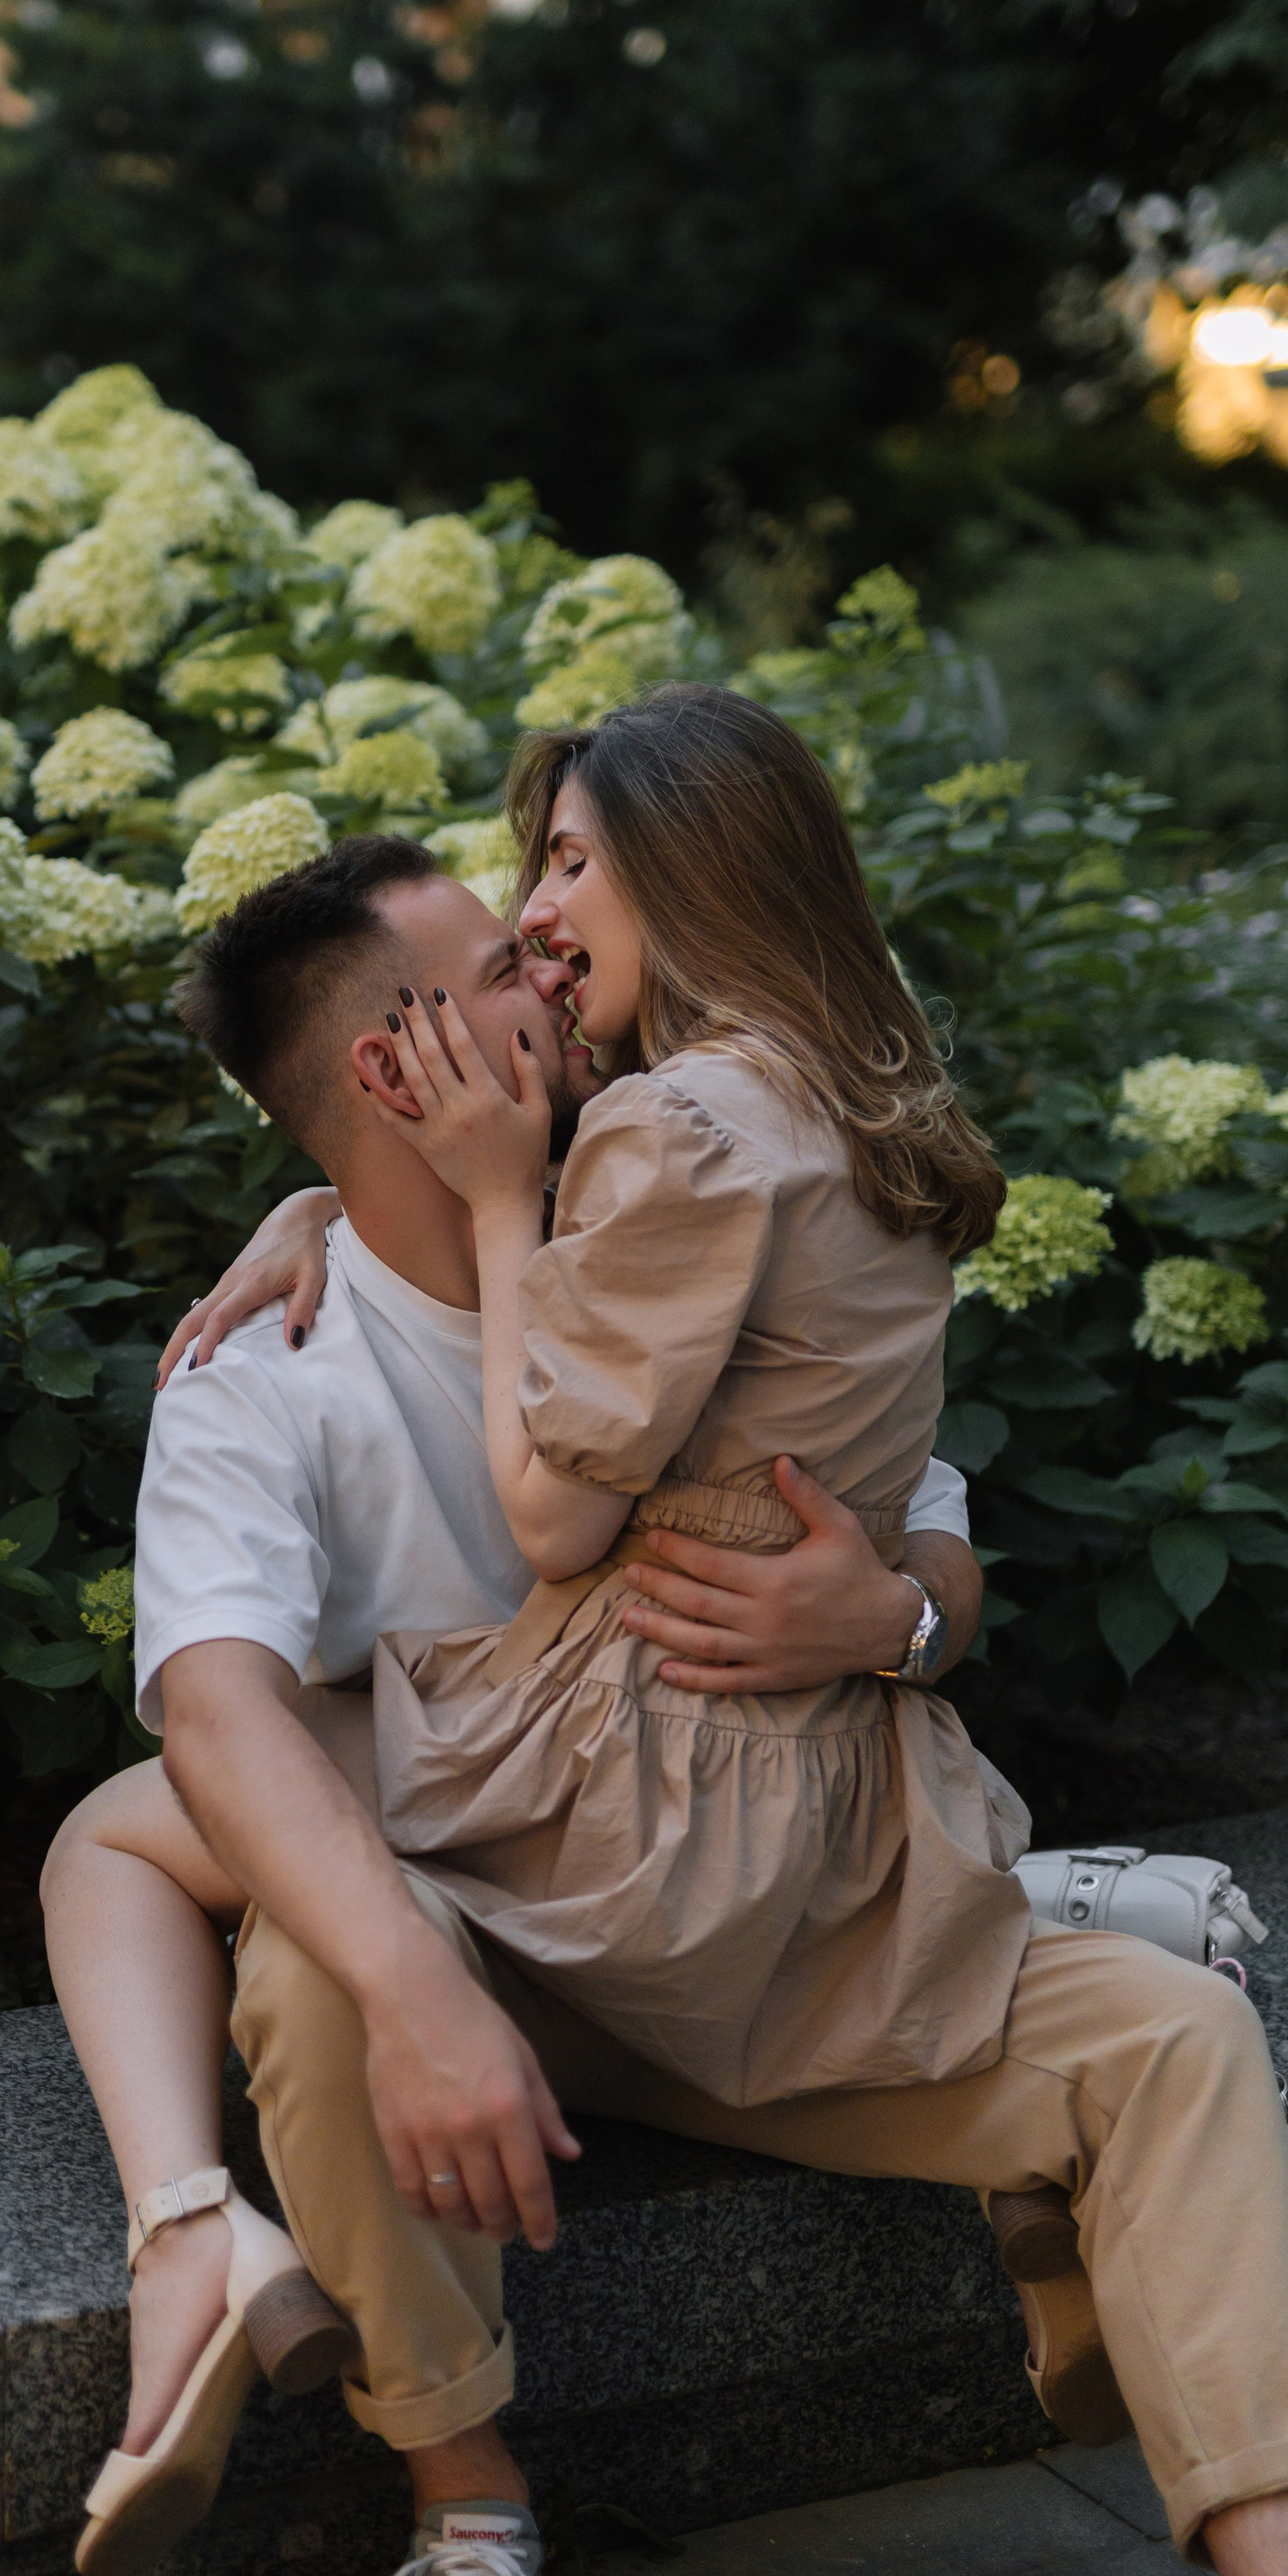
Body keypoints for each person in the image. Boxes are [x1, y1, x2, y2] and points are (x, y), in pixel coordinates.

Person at [50, 823, 1288, 2576]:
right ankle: (469, 2516)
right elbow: (208, 1708)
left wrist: (892, 1613)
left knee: (1181, 2040)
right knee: (325, 1962)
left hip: (762, 1926)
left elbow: (914, 1472)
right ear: (390, 1067)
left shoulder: (644, 1196)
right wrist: (420, 1999)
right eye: (501, 967)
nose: (550, 970)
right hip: (500, 1965)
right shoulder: (263, 1379)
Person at [359, 687, 1033, 2105]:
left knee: (139, 1831)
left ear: (697, 866)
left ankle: (204, 2234)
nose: (536, 911)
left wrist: (493, 1204)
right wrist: (312, 1220)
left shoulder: (675, 1128)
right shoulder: (858, 1117)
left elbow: (552, 1523)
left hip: (655, 1807)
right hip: (851, 1798)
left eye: (572, 860)